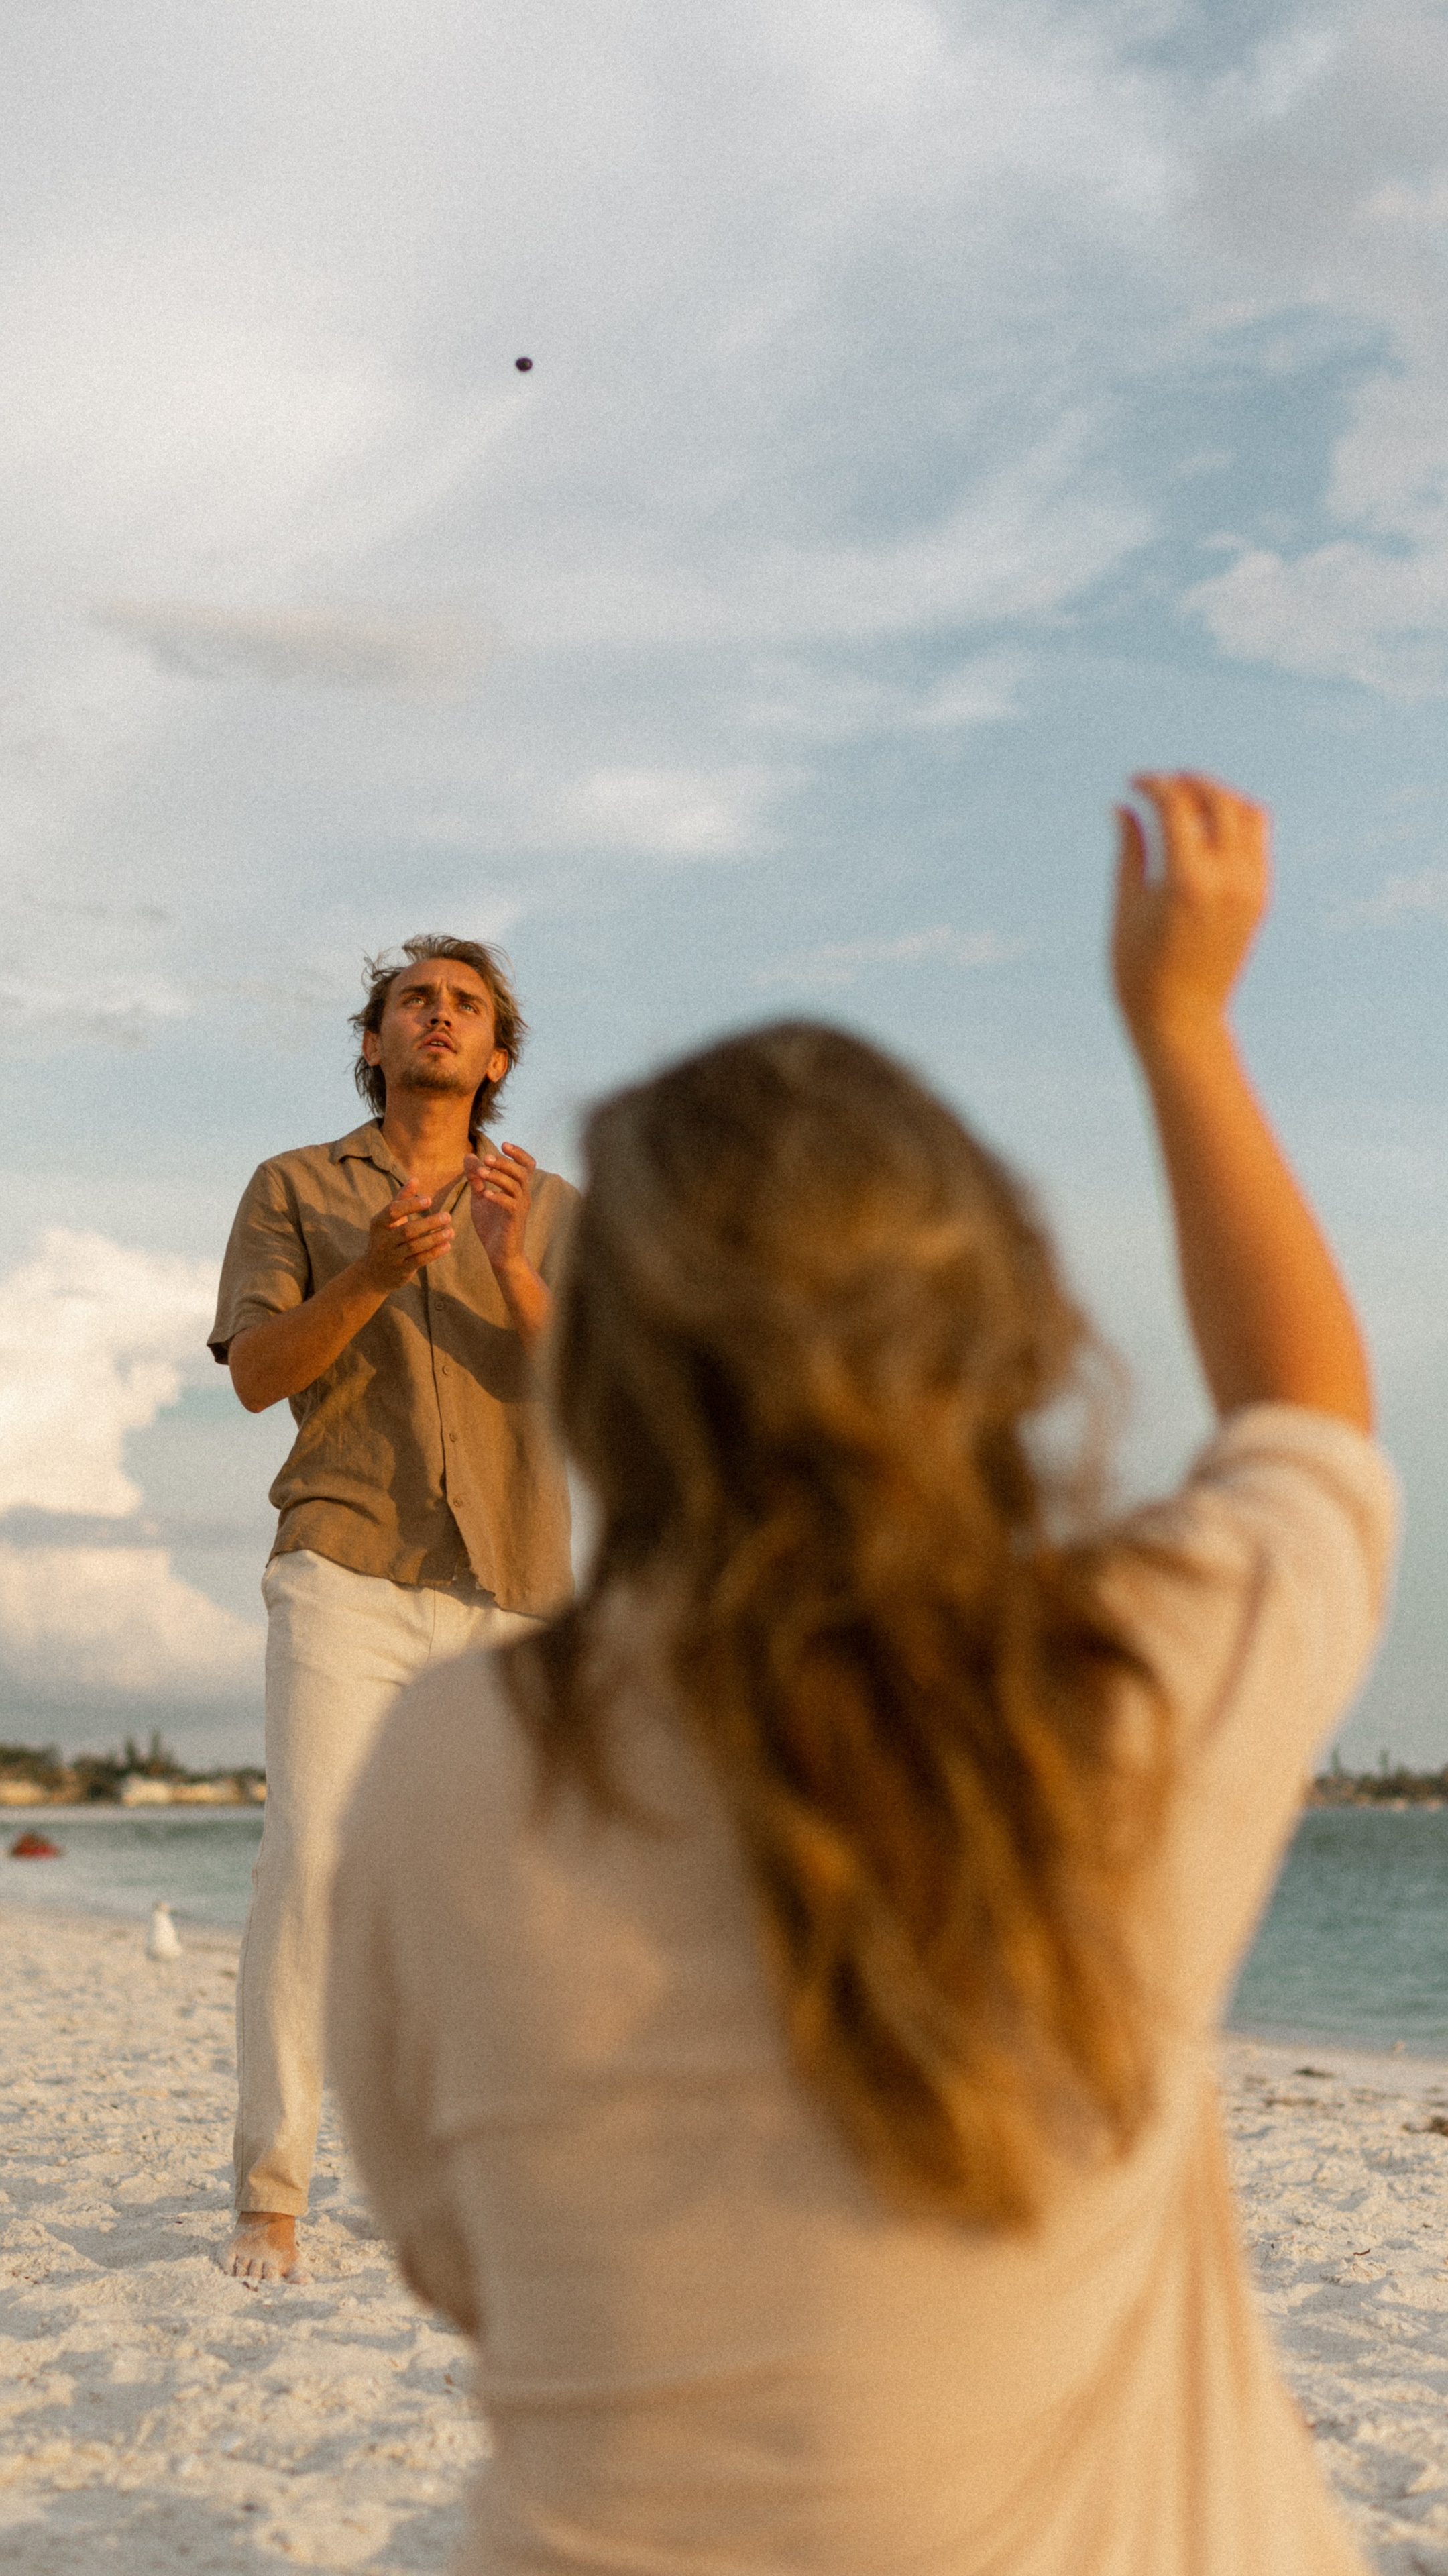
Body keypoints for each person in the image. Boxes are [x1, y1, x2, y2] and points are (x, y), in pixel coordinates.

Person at [327, 776, 1393, 2575]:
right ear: (1006, 1321)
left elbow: (454, 2259)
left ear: (611, 1374)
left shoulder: (456, 1750)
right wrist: (1186, 1027)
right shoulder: (1127, 1673)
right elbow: (1312, 1423)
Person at [210, 936, 576, 2283]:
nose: (437, 1016)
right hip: (344, 1565)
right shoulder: (294, 1187)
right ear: (373, 1042)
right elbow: (254, 1374)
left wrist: (513, 1268)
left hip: (514, 1587)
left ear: (494, 1058)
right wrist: (366, 1274)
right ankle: (273, 2193)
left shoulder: (552, 1204)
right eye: (413, 1000)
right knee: (309, 1865)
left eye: (464, 1005)